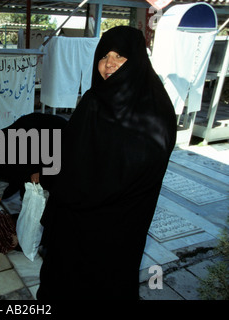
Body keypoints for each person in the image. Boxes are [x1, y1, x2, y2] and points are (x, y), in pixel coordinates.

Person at [37, 26, 177, 300]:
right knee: (65, 280)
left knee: (104, 284)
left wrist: (68, 181)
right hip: (75, 221)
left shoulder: (155, 110)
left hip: (118, 223)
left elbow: (136, 167)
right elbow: (68, 149)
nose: (109, 63)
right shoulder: (93, 100)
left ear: (136, 60)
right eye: (104, 55)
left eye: (119, 56)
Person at [0, 112, 67, 214]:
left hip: (59, 137)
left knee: (42, 184)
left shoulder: (11, 144)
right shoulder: (1, 155)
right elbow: (4, 179)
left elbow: (43, 147)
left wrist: (37, 169)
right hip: (35, 147)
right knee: (26, 183)